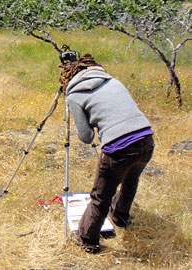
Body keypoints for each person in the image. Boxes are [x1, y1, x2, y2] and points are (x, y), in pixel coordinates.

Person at [60, 54, 155, 254]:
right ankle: (120, 216)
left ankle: (87, 239)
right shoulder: (113, 81)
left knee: (100, 195)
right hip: (146, 138)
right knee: (130, 180)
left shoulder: (74, 96)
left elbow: (86, 137)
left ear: (70, 77)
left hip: (119, 145)